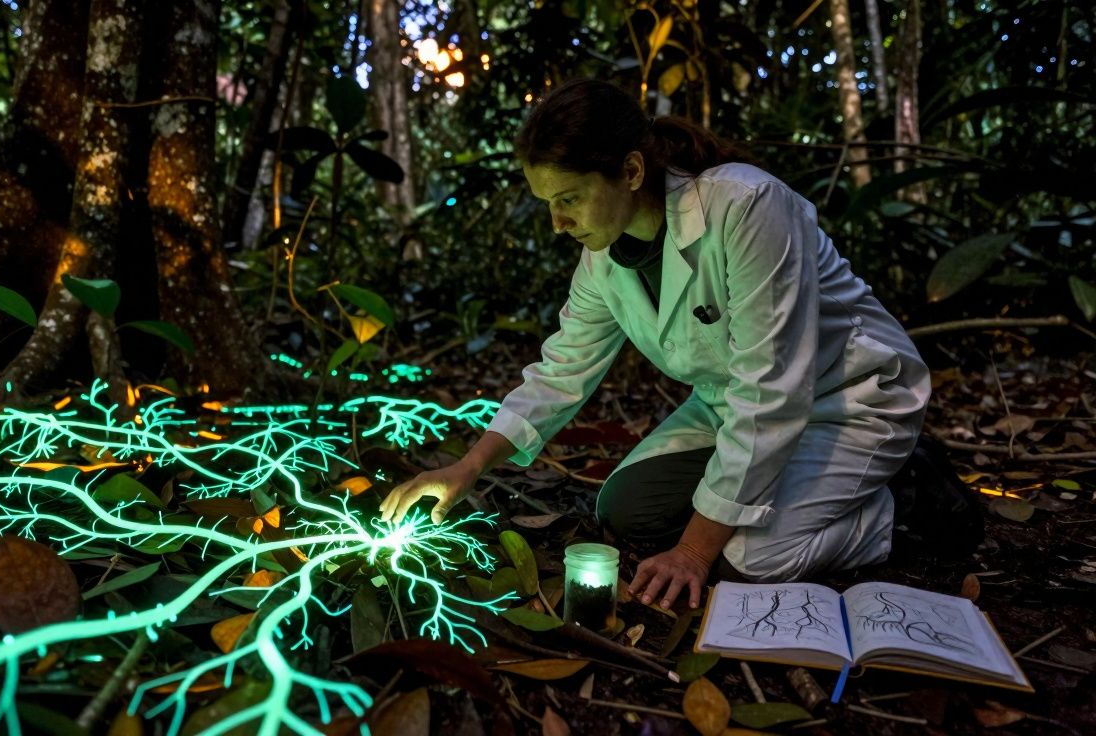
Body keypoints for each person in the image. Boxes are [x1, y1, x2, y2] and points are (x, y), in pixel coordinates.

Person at [378, 79, 931, 614]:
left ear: (632, 171)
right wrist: (470, 467)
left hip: (851, 397)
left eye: (569, 198)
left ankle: (898, 505)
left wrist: (693, 552)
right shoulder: (604, 257)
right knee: (626, 509)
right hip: (729, 403)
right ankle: (781, 491)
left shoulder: (746, 206)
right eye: (548, 202)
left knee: (745, 562)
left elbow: (772, 387)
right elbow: (562, 370)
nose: (557, 222)